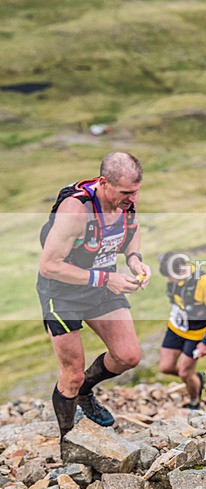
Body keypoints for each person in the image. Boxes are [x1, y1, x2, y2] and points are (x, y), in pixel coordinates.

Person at [37, 152, 151, 442]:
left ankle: (85, 392)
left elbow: (132, 230)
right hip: (62, 293)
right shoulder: (76, 212)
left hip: (101, 286)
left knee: (128, 356)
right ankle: (69, 443)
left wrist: (135, 260)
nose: (132, 199)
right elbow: (49, 266)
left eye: (136, 191)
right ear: (104, 183)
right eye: (125, 193)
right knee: (71, 375)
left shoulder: (125, 202)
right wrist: (107, 279)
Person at [158, 252, 206, 409]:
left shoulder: (203, 282)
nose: (169, 280)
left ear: (180, 271)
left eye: (170, 277)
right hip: (176, 327)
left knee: (185, 373)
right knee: (165, 367)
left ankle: (194, 402)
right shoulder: (174, 275)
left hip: (195, 334)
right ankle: (196, 378)